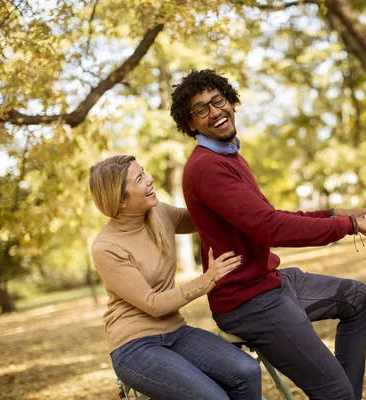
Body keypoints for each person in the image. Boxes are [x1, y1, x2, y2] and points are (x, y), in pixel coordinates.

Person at [170, 69, 366, 400]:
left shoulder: (228, 155)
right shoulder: (207, 168)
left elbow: (270, 215)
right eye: (201, 109)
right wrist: (351, 227)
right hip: (249, 302)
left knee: (358, 299)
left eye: (218, 101)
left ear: (231, 102)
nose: (214, 112)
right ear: (191, 123)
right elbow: (272, 228)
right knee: (335, 393)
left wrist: (335, 214)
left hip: (269, 283)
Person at [89, 155, 262, 400]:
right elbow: (154, 304)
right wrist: (208, 279)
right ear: (120, 200)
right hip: (134, 347)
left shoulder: (160, 213)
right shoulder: (106, 247)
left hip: (177, 333)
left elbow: (202, 218)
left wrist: (232, 195)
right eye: (139, 179)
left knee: (246, 370)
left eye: (144, 172)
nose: (150, 180)